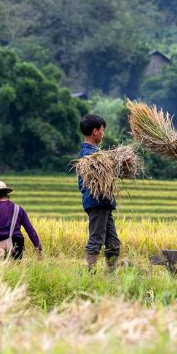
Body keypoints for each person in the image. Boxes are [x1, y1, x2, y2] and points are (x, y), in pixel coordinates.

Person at [78, 113, 121, 270]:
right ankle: (88, 276)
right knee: (96, 240)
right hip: (97, 202)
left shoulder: (95, 153)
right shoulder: (90, 155)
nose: (103, 133)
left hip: (104, 202)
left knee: (113, 243)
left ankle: (111, 276)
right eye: (102, 129)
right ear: (95, 131)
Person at [0, 180, 42, 260]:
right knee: (15, 270)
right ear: (6, 194)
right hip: (17, 245)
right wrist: (38, 248)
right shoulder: (19, 209)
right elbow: (30, 230)